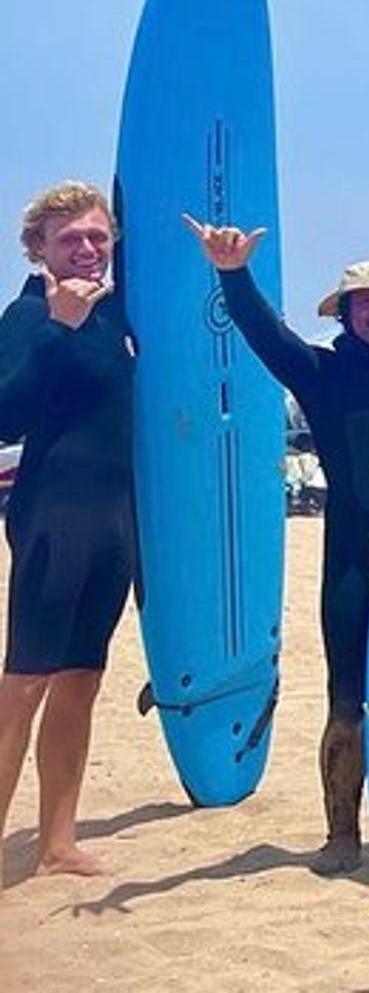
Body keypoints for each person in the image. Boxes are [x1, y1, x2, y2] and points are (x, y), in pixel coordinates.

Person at [184, 218, 369, 874]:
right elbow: (267, 336)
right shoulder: (322, 373)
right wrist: (232, 274)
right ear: (347, 315)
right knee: (346, 691)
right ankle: (341, 831)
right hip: (350, 551)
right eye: (368, 303)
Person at [0, 181, 130, 885]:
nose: (86, 248)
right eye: (70, 238)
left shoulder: (115, 319)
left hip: (114, 522)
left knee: (82, 678)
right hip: (53, 515)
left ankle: (57, 840)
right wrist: (56, 328)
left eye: (97, 236)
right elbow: (4, 416)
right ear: (38, 248)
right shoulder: (27, 316)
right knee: (23, 682)